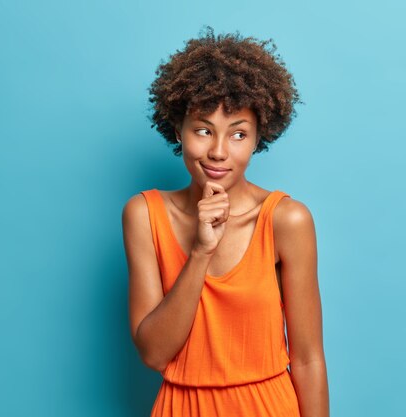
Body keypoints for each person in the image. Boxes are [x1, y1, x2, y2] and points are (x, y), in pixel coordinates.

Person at [122, 26, 329, 417]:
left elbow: (308, 359)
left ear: (257, 139)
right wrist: (201, 251)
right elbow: (153, 353)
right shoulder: (144, 215)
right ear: (178, 129)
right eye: (203, 130)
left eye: (238, 134)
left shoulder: (287, 220)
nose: (218, 152)